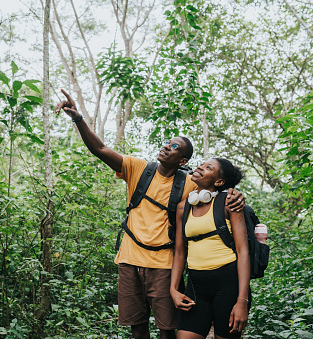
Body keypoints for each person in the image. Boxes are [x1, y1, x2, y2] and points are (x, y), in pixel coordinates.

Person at [55, 90, 245, 339]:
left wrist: (235, 194)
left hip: (164, 264)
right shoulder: (138, 169)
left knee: (167, 328)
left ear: (182, 159)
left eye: (174, 146)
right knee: (137, 326)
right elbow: (100, 149)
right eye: (167, 142)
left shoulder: (190, 182)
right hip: (130, 259)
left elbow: (216, 187)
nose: (167, 146)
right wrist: (78, 118)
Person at [170, 158, 250, 339]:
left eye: (208, 167)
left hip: (228, 284)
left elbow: (243, 251)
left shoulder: (229, 202)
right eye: (201, 164)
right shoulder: (183, 207)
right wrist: (174, 290)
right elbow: (180, 252)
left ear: (219, 182)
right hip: (196, 285)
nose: (200, 167)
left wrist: (242, 301)